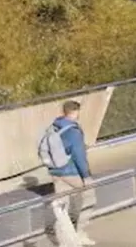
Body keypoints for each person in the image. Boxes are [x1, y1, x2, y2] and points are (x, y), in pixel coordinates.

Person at [42, 100, 95, 246]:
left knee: (61, 206)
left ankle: (65, 241)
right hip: (70, 171)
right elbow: (79, 155)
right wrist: (86, 176)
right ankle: (79, 233)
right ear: (75, 112)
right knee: (89, 197)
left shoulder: (53, 126)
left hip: (55, 171)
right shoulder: (73, 131)